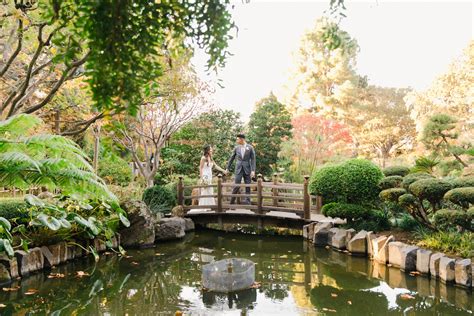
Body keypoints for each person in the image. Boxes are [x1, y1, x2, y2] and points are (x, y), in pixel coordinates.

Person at [225, 134, 256, 205]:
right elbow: (231, 158)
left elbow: (253, 159)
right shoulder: (236, 148)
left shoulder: (250, 147)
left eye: (238, 139)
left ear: (242, 139)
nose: (237, 140)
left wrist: (253, 170)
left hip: (247, 169)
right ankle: (232, 202)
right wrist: (227, 168)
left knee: (248, 185)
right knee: (237, 185)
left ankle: (248, 202)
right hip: (238, 169)